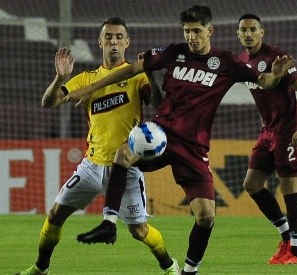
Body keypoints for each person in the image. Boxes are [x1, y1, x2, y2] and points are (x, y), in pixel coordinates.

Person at [65, 5, 294, 274]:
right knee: (122, 154)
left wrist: (276, 75)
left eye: (197, 31)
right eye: (187, 31)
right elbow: (130, 70)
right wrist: (91, 88)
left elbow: (264, 81)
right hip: (161, 135)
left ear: (210, 31)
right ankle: (109, 223)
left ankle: (189, 270)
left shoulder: (227, 63)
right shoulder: (174, 52)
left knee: (206, 216)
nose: (191, 37)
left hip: (194, 148)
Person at [16, 17, 179, 275]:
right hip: (92, 165)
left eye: (118, 37)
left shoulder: (137, 78)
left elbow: (159, 106)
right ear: (100, 42)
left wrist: (149, 73)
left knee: (139, 230)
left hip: (126, 166)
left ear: (127, 42)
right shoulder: (86, 79)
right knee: (55, 215)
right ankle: (40, 268)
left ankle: (169, 266)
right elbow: (49, 103)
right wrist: (60, 79)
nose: (113, 42)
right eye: (108, 37)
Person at [237, 13, 297, 265]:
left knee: (289, 187)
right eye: (243, 30)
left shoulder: (276, 56)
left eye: (252, 30)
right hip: (267, 131)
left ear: (262, 32)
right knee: (252, 184)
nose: (248, 34)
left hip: (288, 130)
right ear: (238, 34)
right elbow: (266, 82)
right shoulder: (242, 61)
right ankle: (286, 236)